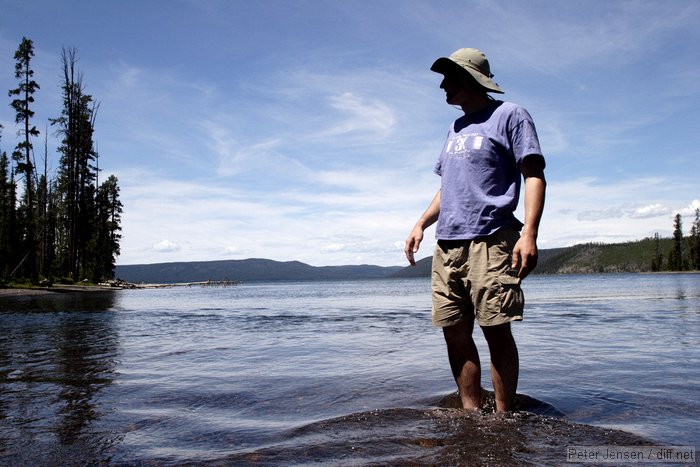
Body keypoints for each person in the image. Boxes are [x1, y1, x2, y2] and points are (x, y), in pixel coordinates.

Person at [405, 48, 546, 412]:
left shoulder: (510, 115)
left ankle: (502, 418)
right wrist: (421, 223)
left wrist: (529, 233)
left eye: (449, 78)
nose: (442, 86)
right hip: (448, 246)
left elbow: (533, 174)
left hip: (492, 240)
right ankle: (470, 415)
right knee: (454, 332)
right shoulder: (454, 128)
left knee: (495, 330)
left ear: (470, 79)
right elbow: (447, 187)